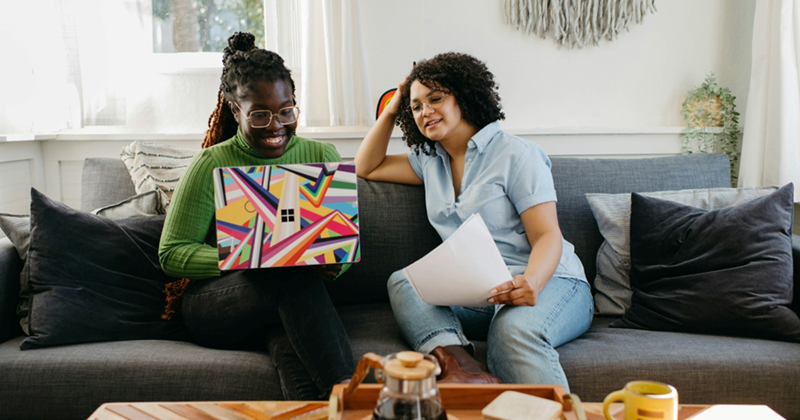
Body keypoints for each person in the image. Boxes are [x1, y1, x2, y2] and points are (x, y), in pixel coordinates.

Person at [354, 52, 593, 391]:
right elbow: (368, 166)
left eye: (436, 98)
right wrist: (393, 108)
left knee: (513, 330)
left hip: (551, 283)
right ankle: (463, 371)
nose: (425, 111)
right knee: (405, 283)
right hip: (483, 290)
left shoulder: (516, 154)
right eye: (417, 106)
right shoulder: (429, 162)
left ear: (464, 96)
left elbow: (547, 236)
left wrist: (532, 283)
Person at [159, 32, 354, 400]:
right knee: (285, 272)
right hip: (217, 305)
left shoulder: (322, 154)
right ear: (236, 112)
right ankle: (351, 397)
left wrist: (333, 264)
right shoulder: (212, 163)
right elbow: (172, 253)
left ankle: (326, 407)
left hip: (293, 302)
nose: (276, 124)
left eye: (286, 110)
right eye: (260, 114)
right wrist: (251, 256)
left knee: (290, 332)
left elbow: (342, 239)